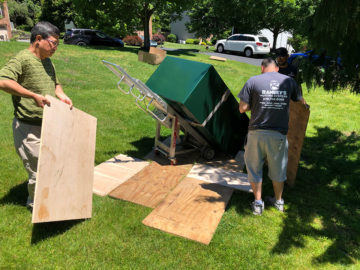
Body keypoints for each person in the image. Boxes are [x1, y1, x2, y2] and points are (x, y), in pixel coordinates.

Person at [0, 21, 72, 209]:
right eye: (53, 43)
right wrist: (32, 96)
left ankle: (52, 203)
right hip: (28, 127)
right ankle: (36, 206)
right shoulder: (22, 59)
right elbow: (3, 81)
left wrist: (62, 95)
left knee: (52, 166)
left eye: (57, 44)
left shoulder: (47, 61)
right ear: (38, 39)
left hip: (49, 123)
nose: (55, 47)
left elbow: (55, 84)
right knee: (38, 171)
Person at [238, 58, 305, 215]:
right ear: (276, 68)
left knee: (254, 168)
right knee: (278, 169)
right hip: (279, 135)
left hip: (256, 133)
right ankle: (279, 201)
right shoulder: (288, 81)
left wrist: (257, 104)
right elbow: (301, 102)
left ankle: (258, 203)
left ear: (262, 68)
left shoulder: (253, 81)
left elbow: (242, 108)